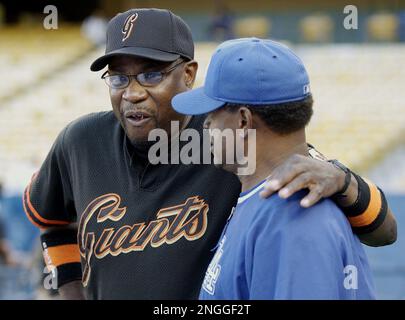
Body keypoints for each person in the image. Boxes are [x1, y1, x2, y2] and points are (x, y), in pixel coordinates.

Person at [23, 8, 396, 300]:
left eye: (151, 74)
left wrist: (345, 180)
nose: (132, 92)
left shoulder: (227, 139)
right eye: (119, 77)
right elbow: (50, 217)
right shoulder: (80, 141)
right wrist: (70, 291)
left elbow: (384, 230)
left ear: (188, 74)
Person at [172, 38, 376, 299]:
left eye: (213, 113)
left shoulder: (295, 217)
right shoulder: (264, 200)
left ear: (243, 120)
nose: (206, 124)